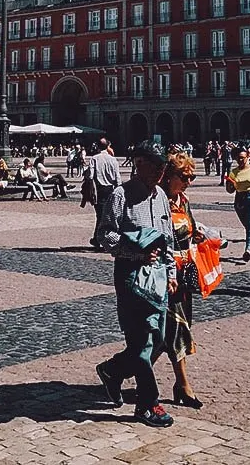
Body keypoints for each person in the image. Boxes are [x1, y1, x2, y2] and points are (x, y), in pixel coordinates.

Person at [94, 141, 176, 429]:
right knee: (142, 342)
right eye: (155, 166)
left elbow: (168, 239)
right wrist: (135, 252)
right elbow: (105, 235)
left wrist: (172, 272)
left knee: (160, 341)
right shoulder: (121, 195)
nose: (160, 172)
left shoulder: (162, 195)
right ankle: (147, 404)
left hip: (159, 276)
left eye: (163, 167)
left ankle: (112, 370)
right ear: (138, 164)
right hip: (130, 274)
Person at [156, 150, 205, 408]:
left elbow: (192, 229)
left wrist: (201, 237)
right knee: (176, 328)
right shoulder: (158, 201)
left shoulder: (182, 200)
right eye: (184, 177)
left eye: (192, 177)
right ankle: (183, 385)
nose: (188, 182)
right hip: (165, 276)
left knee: (165, 332)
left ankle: (118, 371)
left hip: (184, 275)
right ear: (168, 176)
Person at [86, 138, 122, 248]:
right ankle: (99, 239)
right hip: (111, 190)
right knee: (110, 216)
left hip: (99, 190)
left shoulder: (94, 159)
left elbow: (90, 176)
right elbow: (118, 179)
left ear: (97, 146)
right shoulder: (113, 160)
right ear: (107, 147)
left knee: (100, 215)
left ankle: (99, 239)